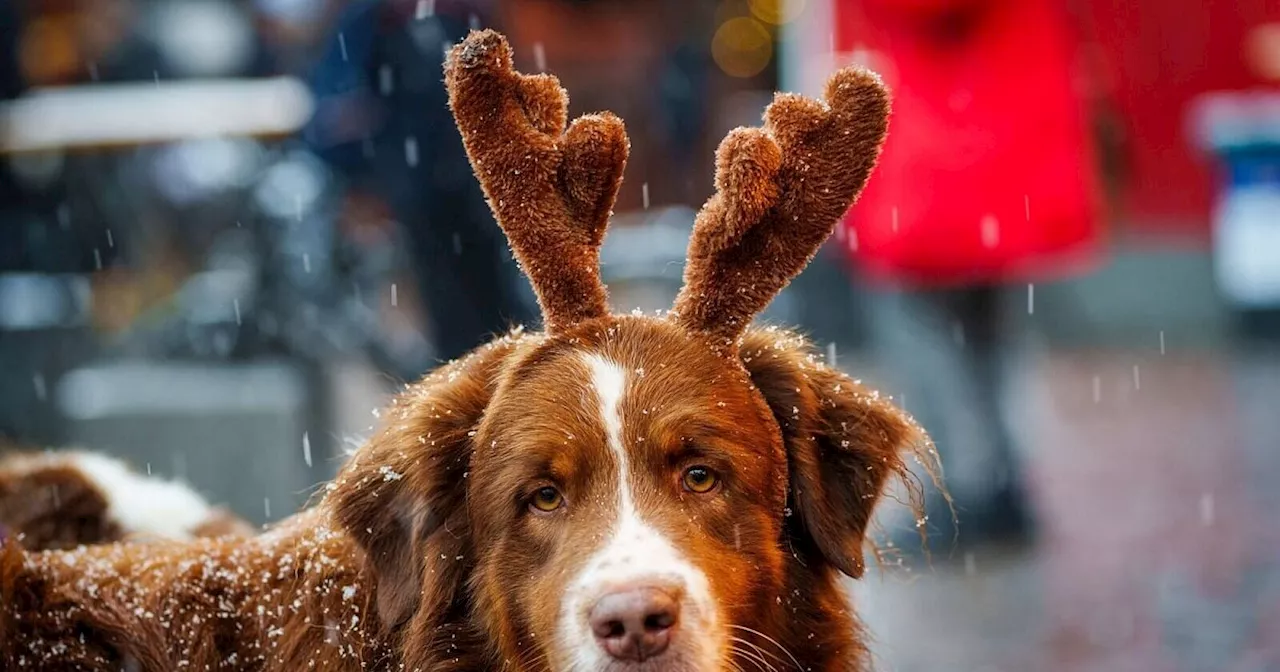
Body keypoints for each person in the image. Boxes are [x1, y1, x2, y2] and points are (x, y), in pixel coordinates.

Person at [839, 0, 1107, 555]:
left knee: (918, 315)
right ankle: (1000, 481)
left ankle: (963, 490)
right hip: (1002, 154)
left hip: (953, 154)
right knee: (985, 327)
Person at [303, 0, 538, 371]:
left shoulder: (464, 15)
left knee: (505, 299)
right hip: (421, 194)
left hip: (478, 188)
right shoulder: (376, 19)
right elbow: (333, 115)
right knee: (454, 316)